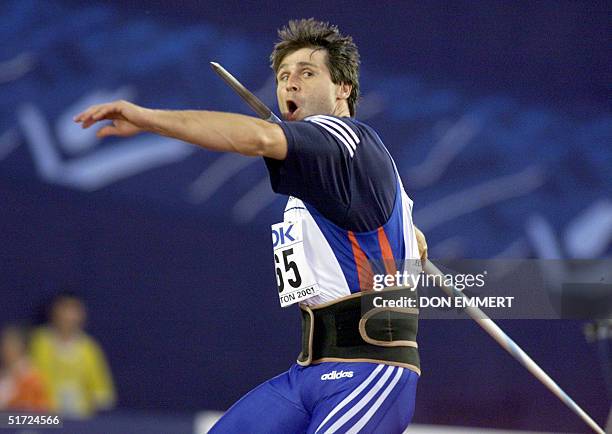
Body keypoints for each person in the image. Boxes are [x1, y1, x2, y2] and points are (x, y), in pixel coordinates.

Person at [75, 18, 427, 433]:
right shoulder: (330, 170)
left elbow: (259, 139)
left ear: (343, 89)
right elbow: (387, 226)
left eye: (307, 73)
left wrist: (150, 119)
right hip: (310, 372)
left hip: (370, 374)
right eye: (283, 76)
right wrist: (410, 238)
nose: (289, 84)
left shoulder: (340, 136)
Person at [30, 292, 116, 418]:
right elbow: (28, 378)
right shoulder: (39, 342)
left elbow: (102, 391)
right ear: (54, 312)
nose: (68, 316)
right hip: (45, 417)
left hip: (80, 419)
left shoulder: (89, 348)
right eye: (64, 309)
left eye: (73, 309)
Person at [0, 325, 50, 411]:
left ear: (22, 348)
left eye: (11, 346)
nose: (6, 350)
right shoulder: (4, 374)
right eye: (4, 346)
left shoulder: (32, 377)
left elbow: (41, 411)